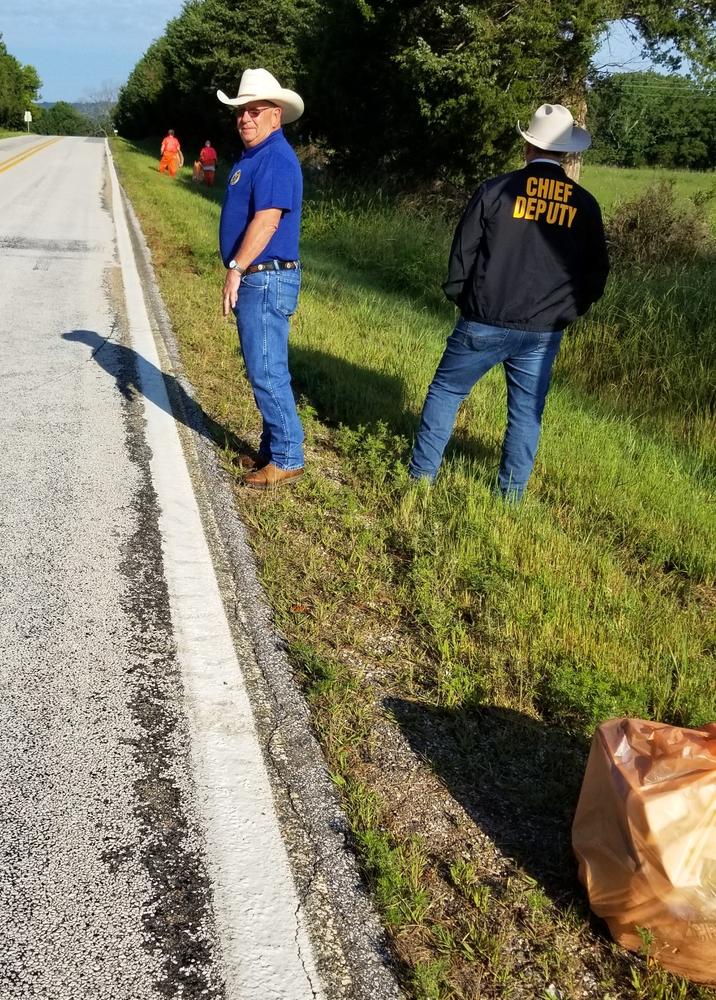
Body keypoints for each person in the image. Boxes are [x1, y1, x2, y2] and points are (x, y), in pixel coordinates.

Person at [409, 103, 609, 499]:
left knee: (447, 392)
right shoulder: (584, 205)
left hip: (484, 319)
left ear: (527, 147)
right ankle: (510, 497)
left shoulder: (496, 190)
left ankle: (419, 480)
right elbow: (595, 272)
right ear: (567, 153)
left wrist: (466, 302)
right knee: (525, 413)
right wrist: (567, 312)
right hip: (543, 331)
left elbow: (462, 256)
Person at [217, 68, 305, 490]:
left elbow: (268, 221)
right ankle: (272, 449)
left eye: (255, 111)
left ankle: (288, 456)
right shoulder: (256, 155)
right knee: (265, 367)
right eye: (240, 111)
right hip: (259, 276)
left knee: (267, 372)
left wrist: (235, 268)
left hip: (265, 277)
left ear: (276, 114)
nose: (245, 118)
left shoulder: (274, 157)